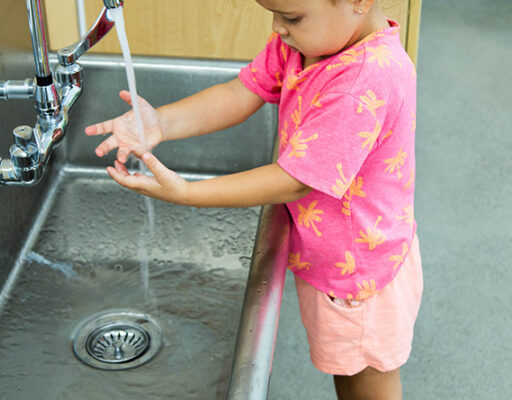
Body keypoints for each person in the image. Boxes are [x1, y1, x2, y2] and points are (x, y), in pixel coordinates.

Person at [84, 0, 422, 398]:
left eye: (291, 17)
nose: (278, 28)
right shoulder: (309, 42)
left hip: (358, 279)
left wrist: (189, 192)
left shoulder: (363, 81)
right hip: (336, 257)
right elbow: (242, 91)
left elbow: (296, 180)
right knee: (348, 371)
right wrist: (162, 123)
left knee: (364, 379)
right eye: (274, 13)